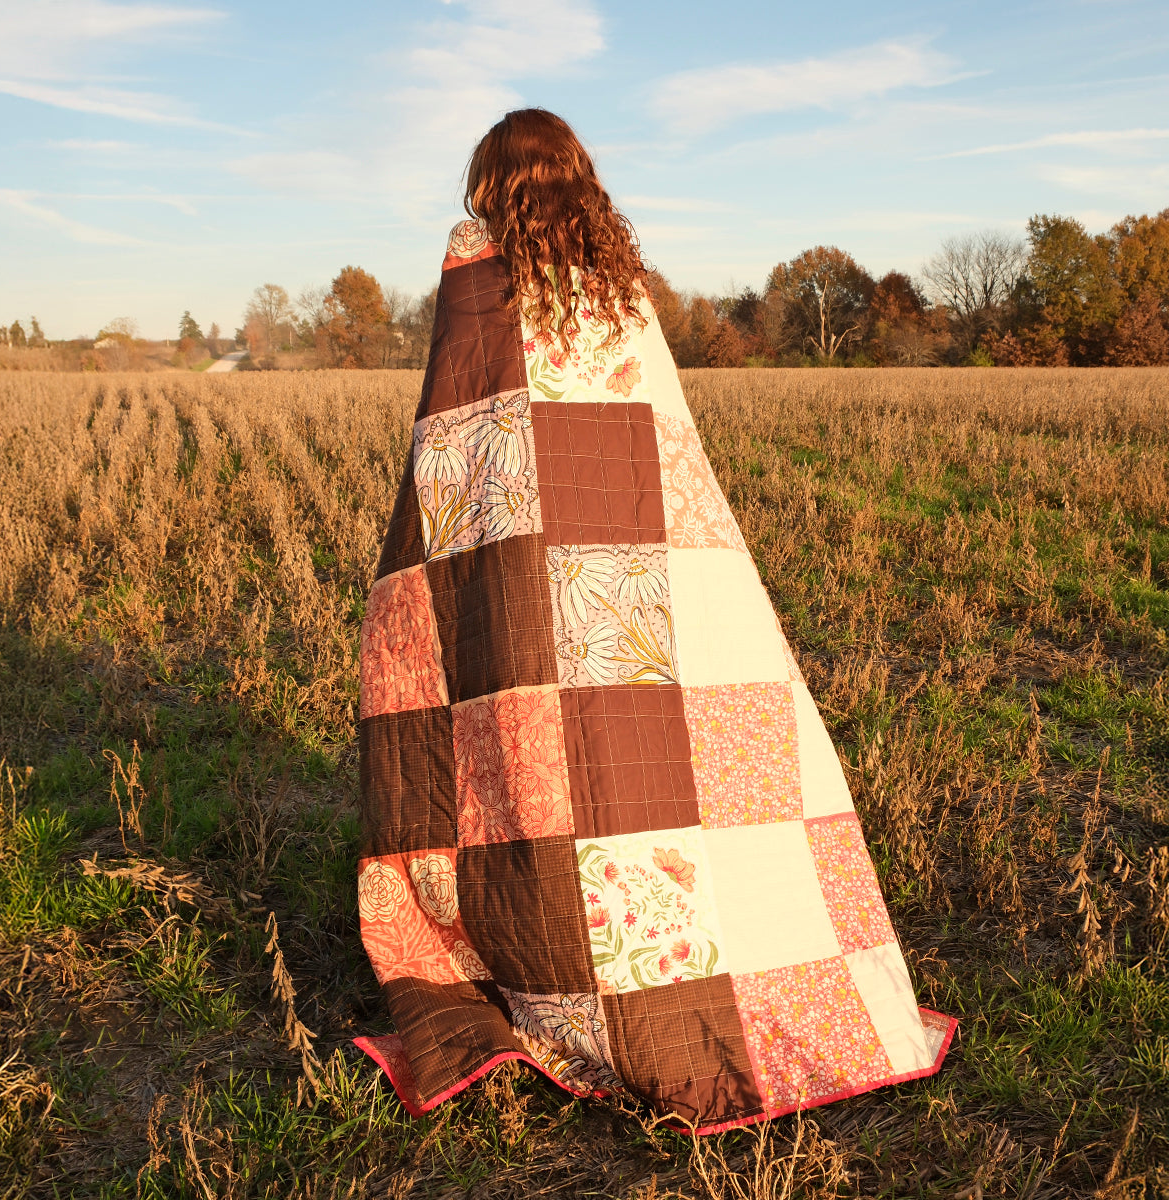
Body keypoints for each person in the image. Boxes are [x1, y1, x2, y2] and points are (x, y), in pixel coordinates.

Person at [352, 108, 954, 1133]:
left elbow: (452, 431)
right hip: (641, 574)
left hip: (513, 573)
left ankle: (544, 973)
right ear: (580, 179)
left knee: (523, 771)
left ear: (490, 184)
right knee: (654, 778)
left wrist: (428, 568)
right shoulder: (620, 282)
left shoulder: (474, 264)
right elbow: (658, 444)